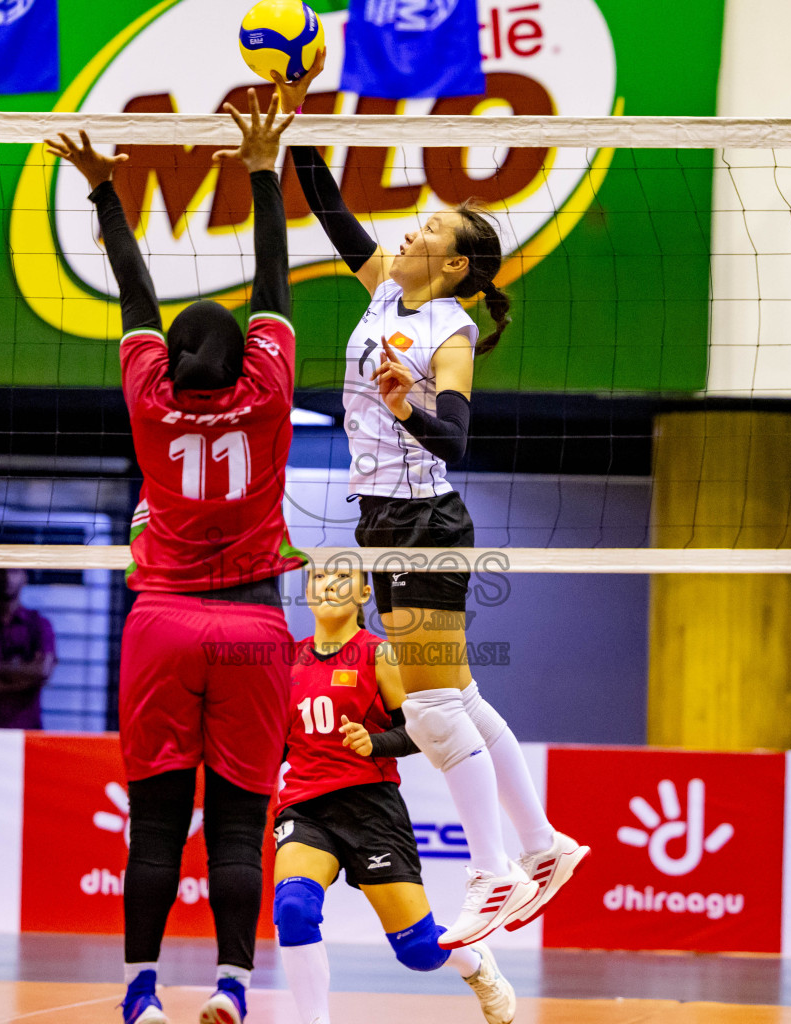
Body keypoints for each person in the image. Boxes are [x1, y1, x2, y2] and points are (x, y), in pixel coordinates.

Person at [274, 52, 587, 948]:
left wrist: (409, 404)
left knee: (429, 709)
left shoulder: (445, 328)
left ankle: (494, 872)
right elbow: (332, 213)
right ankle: (544, 844)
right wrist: (300, 122)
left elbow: (458, 438)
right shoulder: (383, 289)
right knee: (463, 696)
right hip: (385, 517)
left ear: (452, 267)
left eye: (430, 230)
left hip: (423, 517)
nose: (411, 231)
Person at [45, 93, 303, 1024]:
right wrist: (265, 168)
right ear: (245, 358)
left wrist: (107, 193)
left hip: (160, 623)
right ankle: (231, 989)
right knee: (240, 826)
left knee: (155, 826)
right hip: (252, 628)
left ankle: (141, 993)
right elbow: (274, 285)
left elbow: (135, 296)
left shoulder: (151, 398)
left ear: (177, 356)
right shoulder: (269, 393)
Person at [275, 566, 515, 1024]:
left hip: (370, 808)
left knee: (419, 951)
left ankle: (476, 964)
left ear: (366, 590)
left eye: (341, 576)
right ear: (305, 590)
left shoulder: (379, 654)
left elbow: (422, 730)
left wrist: (375, 742)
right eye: (318, 577)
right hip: (304, 806)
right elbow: (278, 741)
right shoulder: (288, 660)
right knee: (292, 908)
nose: (327, 584)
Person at [0, 568, 57, 729]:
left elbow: (42, 671)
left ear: (25, 577)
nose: (7, 577)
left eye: (14, 571)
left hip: (28, 730)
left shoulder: (38, 625)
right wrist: (25, 677)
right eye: (1, 571)